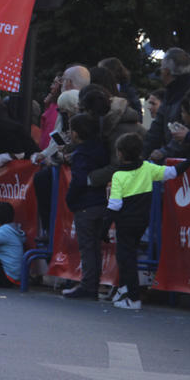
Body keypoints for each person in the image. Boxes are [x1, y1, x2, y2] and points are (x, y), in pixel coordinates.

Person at [105, 133, 190, 310]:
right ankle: (124, 288)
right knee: (127, 255)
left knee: (126, 258)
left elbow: (114, 205)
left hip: (125, 222)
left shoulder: (119, 175)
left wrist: (103, 228)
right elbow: (173, 172)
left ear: (119, 154)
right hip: (142, 221)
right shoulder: (147, 168)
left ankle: (133, 298)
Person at [58, 113, 110, 299]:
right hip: (100, 202)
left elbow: (78, 180)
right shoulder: (101, 149)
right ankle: (93, 283)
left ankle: (88, 285)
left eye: (71, 130)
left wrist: (70, 199)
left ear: (77, 134)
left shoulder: (80, 154)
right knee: (95, 246)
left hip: (85, 205)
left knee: (87, 247)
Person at [143, 47, 190, 162]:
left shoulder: (189, 94)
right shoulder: (171, 92)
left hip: (186, 163)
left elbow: (188, 129)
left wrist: (163, 152)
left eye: (161, 68)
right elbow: (156, 130)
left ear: (166, 71)